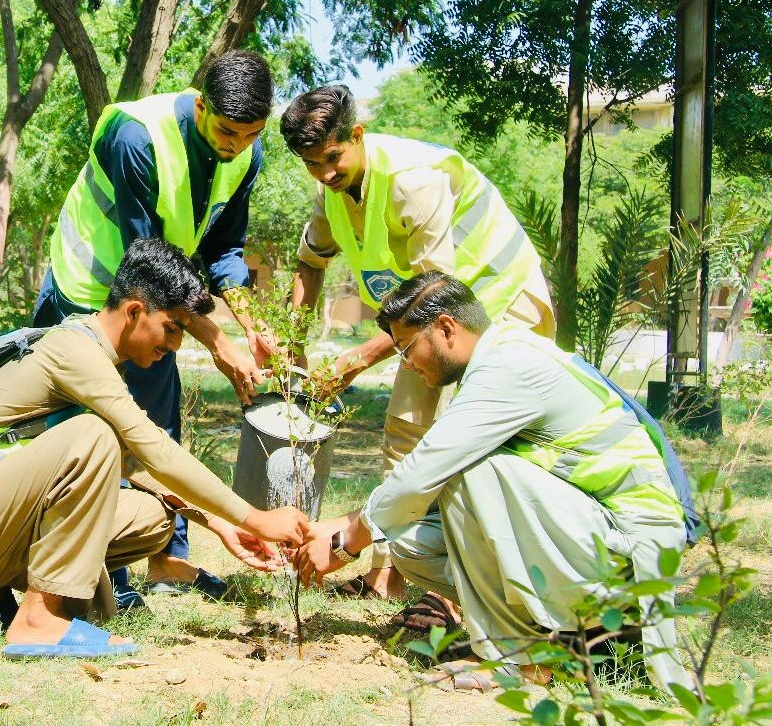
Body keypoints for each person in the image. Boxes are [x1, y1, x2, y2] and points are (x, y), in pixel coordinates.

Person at [0, 238, 309, 658]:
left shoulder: (100, 357)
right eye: (172, 328)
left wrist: (221, 523)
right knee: (93, 435)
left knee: (152, 517)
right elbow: (153, 449)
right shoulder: (74, 350)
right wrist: (255, 517)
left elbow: (133, 464)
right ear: (134, 311)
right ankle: (37, 620)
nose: (175, 345)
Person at [294, 272, 691, 691]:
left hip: (628, 546)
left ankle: (516, 657)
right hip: (590, 532)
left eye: (407, 349)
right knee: (408, 541)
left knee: (469, 468)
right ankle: (567, 644)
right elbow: (420, 491)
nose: (406, 364)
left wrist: (345, 545)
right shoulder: (495, 360)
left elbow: (427, 470)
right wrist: (341, 525)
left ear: (446, 328)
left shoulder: (509, 367)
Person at [279, 84, 555, 613]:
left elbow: (432, 303)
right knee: (406, 430)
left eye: (332, 158)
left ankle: (464, 589)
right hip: (432, 315)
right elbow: (310, 263)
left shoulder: (413, 180)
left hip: (499, 301)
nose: (325, 174)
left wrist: (357, 359)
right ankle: (391, 573)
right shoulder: (330, 193)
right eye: (312, 164)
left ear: (356, 135)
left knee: (467, 442)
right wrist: (293, 346)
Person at [35, 50, 275, 603]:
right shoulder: (136, 137)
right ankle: (101, 571)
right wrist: (216, 340)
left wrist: (251, 323)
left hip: (159, 299)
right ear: (201, 105)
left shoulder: (247, 153)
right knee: (91, 434)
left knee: (158, 428)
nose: (237, 145)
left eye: (251, 134)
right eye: (228, 131)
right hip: (88, 294)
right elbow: (144, 260)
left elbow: (225, 248)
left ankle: (167, 558)